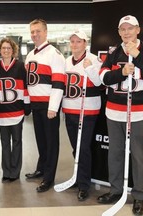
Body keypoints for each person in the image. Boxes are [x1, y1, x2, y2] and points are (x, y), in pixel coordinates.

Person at [97, 15, 143, 215]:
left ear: (138, 29)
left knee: (139, 157)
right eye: (122, 29)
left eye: (130, 28)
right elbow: (104, 77)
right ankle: (116, 190)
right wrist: (122, 72)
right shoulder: (115, 52)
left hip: (137, 113)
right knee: (115, 154)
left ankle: (140, 196)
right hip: (114, 112)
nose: (126, 32)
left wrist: (138, 57)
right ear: (118, 32)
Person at [24, 18, 65, 192]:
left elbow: (59, 83)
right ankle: (41, 169)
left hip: (48, 105)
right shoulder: (30, 55)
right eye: (32, 31)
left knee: (51, 142)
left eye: (38, 31)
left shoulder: (54, 54)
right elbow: (27, 83)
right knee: (40, 140)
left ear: (46, 32)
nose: (35, 34)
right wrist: (27, 103)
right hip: (35, 104)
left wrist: (53, 107)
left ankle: (49, 178)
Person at [62, 30, 102, 201]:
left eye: (78, 41)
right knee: (75, 148)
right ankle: (78, 177)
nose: (75, 44)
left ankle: (84, 185)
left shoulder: (93, 59)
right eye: (72, 41)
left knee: (83, 147)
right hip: (69, 109)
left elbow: (101, 83)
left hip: (87, 111)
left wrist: (90, 69)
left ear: (85, 43)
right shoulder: (66, 61)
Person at [0, 37, 30, 182]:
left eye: (9, 48)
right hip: (2, 113)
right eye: (3, 48)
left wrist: (27, 105)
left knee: (17, 142)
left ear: (13, 50)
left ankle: (15, 172)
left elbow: (25, 86)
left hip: (17, 112)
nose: (6, 50)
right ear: (0, 51)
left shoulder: (20, 66)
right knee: (4, 143)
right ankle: (6, 171)